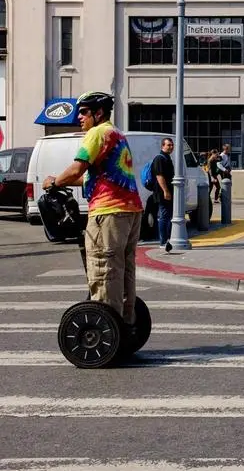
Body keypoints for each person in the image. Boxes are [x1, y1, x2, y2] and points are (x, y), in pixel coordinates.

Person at [43, 91, 143, 327]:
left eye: (84, 112)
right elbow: (94, 177)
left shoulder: (96, 133)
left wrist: (55, 182)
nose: (79, 117)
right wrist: (61, 180)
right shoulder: (116, 134)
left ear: (98, 113)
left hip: (108, 213)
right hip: (130, 211)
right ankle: (126, 324)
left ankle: (105, 329)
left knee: (104, 270)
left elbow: (77, 169)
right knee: (124, 271)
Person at [150, 137, 175, 249]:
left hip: (167, 191)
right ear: (162, 146)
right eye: (168, 145)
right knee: (164, 216)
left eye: (172, 145)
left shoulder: (167, 158)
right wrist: (166, 191)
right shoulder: (160, 159)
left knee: (168, 215)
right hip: (162, 192)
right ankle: (163, 241)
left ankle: (167, 239)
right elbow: (159, 176)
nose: (171, 147)